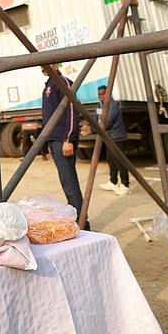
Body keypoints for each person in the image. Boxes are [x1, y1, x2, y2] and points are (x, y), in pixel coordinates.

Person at [41, 63, 89, 230]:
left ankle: (82, 223)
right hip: (55, 140)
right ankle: (77, 218)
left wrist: (68, 139)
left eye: (46, 64)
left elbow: (72, 111)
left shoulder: (63, 82)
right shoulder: (49, 84)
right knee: (66, 181)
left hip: (63, 140)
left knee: (70, 183)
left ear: (55, 65)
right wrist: (49, 141)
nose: (42, 68)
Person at [95, 85, 130, 195]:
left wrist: (93, 128)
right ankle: (113, 181)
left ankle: (125, 184)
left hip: (116, 137)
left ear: (108, 94)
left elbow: (107, 122)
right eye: (99, 94)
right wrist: (93, 125)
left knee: (119, 161)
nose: (101, 96)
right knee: (110, 160)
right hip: (108, 137)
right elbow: (96, 118)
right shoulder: (100, 105)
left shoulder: (113, 106)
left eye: (103, 94)